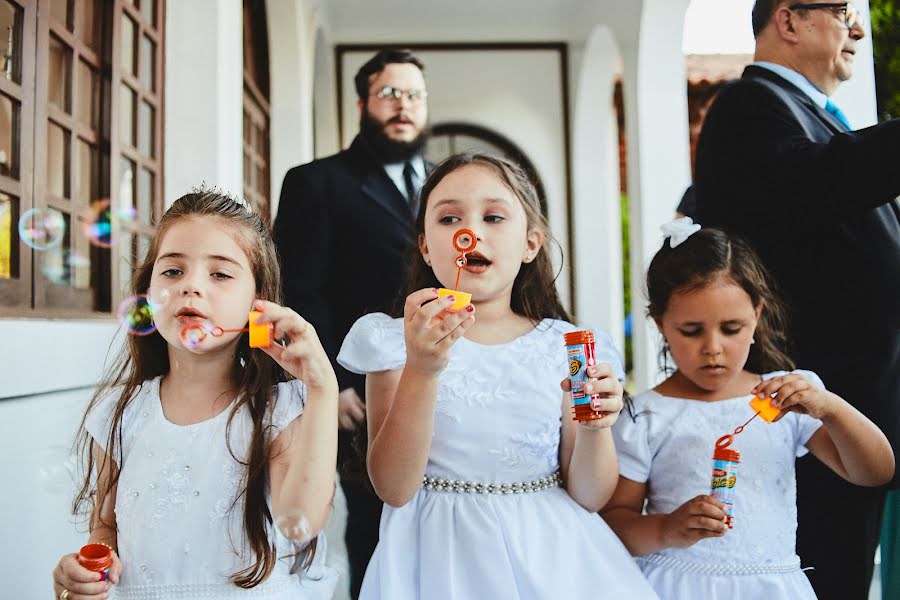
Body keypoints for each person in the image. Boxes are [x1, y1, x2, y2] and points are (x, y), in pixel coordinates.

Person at [336, 153, 659, 599]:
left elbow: (590, 495)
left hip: (551, 557)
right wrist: (422, 370)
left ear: (531, 243)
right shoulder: (393, 343)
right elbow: (393, 487)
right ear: (426, 247)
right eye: (449, 218)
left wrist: (596, 430)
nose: (472, 232)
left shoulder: (567, 347)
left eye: (493, 216)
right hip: (436, 558)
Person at [693, 2, 900, 596]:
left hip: (849, 415)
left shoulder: (808, 113)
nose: (857, 28)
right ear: (788, 20)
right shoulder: (747, 108)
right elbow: (821, 180)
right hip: (808, 423)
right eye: (842, 11)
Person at [51, 191, 338, 599]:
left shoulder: (277, 412)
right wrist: (85, 573)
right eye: (172, 271)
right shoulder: (120, 412)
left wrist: (323, 388)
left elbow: (302, 521)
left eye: (220, 274)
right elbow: (107, 528)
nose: (191, 286)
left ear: (259, 303)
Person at [604, 222, 894, 599]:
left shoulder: (783, 400)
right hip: (678, 586)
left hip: (770, 586)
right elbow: (613, 522)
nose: (713, 347)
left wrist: (831, 409)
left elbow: (875, 472)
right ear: (661, 324)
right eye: (692, 330)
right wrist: (665, 529)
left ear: (756, 316)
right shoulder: (646, 415)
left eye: (731, 328)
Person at [273, 48, 430, 597]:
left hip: (445, 382)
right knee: (377, 529)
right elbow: (299, 290)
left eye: (413, 94)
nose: (403, 105)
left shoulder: (442, 187)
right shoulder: (316, 183)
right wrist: (330, 382)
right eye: (390, 93)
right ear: (363, 102)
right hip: (359, 394)